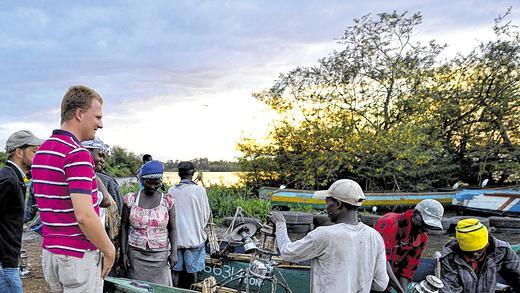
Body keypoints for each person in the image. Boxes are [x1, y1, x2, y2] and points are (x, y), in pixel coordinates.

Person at [32, 85, 115, 293]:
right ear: (79, 114)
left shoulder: (42, 152)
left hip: (51, 254)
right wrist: (109, 250)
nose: (101, 124)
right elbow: (84, 215)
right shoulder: (77, 154)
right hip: (78, 256)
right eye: (97, 117)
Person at [270, 179, 389, 293]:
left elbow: (287, 253)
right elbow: (380, 284)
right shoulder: (375, 236)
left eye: (327, 203)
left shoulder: (324, 235)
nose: (326, 208)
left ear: (338, 204)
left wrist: (280, 225)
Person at [120, 160, 177, 286]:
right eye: (148, 183)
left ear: (161, 182)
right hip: (135, 254)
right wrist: (123, 254)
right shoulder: (131, 199)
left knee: (160, 287)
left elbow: (173, 228)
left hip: (160, 256)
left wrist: (174, 252)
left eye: (156, 183)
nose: (152, 186)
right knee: (137, 287)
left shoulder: (167, 201)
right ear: (141, 180)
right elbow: (124, 227)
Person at [0, 130, 43, 292]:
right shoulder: (8, 180)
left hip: (8, 261)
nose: (37, 156)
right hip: (4, 264)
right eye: (34, 151)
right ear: (19, 152)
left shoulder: (13, 177)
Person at [374, 199, 444, 293]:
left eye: (430, 226)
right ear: (415, 214)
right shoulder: (389, 223)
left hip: (392, 278)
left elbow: (407, 270)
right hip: (373, 273)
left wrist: (404, 290)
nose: (426, 229)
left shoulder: (422, 238)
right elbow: (382, 262)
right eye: (425, 223)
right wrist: (400, 290)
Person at [439, 218, 520, 292]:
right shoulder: (449, 258)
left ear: (487, 244)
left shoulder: (502, 250)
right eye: (470, 253)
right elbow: (449, 289)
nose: (475, 255)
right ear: (461, 248)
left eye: (479, 251)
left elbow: (517, 275)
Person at [168, 161, 211, 288]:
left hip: (176, 240)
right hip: (194, 238)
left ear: (178, 174)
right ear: (193, 173)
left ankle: (173, 291)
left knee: (175, 272)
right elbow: (206, 215)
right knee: (193, 273)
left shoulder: (172, 190)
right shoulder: (200, 190)